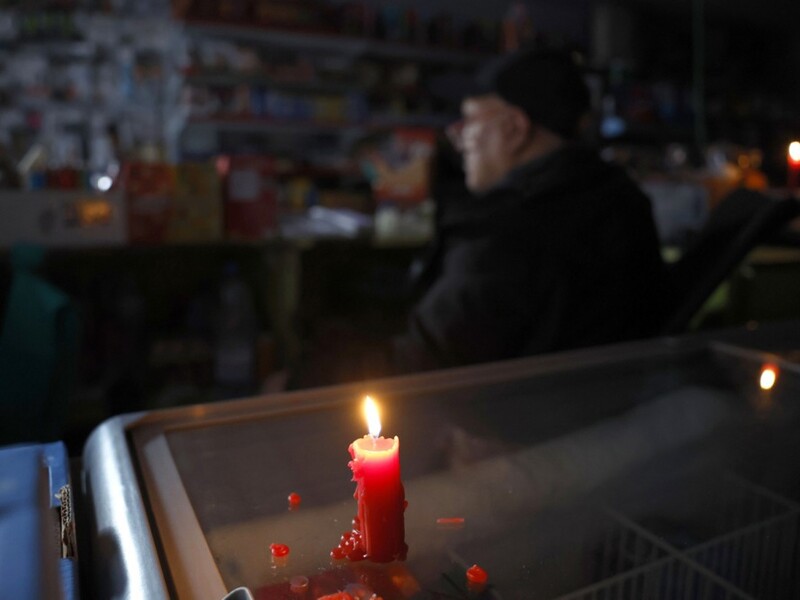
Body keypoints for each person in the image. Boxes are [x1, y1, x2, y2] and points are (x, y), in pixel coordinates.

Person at [390, 47, 674, 373]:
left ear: (514, 128)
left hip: (514, 405)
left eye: (469, 119)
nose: (457, 135)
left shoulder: (507, 230)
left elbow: (423, 360)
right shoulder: (620, 199)